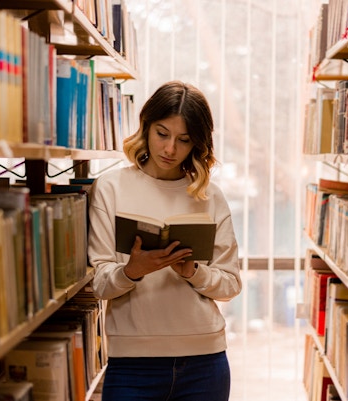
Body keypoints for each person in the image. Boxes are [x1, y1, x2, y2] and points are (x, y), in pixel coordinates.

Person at [88, 80, 242, 401]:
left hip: (204, 361)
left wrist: (192, 272)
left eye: (183, 140)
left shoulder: (209, 197)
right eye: (162, 134)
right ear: (145, 126)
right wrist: (132, 270)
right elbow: (100, 285)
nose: (170, 149)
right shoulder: (110, 187)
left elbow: (230, 285)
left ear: (197, 144)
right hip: (132, 364)